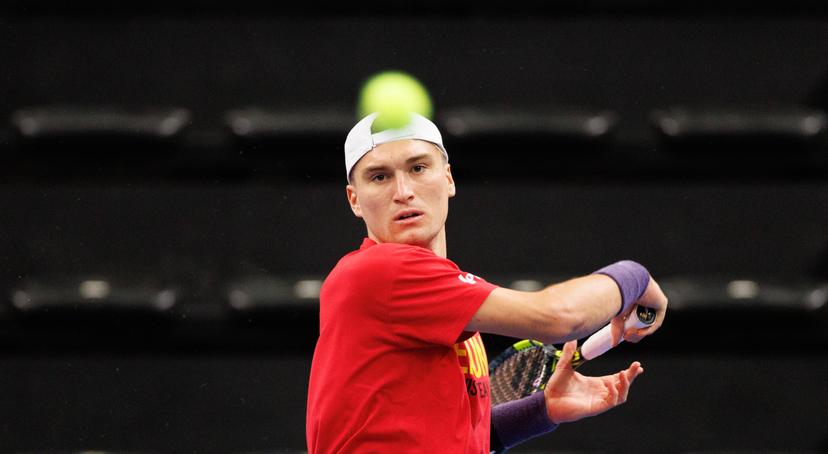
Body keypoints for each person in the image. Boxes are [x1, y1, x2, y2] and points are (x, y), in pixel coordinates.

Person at [306, 112, 668, 453]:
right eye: (379, 177)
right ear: (354, 200)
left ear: (448, 178)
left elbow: (454, 437)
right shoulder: (382, 272)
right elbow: (559, 317)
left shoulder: (447, 301)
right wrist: (635, 276)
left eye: (418, 168)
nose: (403, 191)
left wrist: (541, 410)